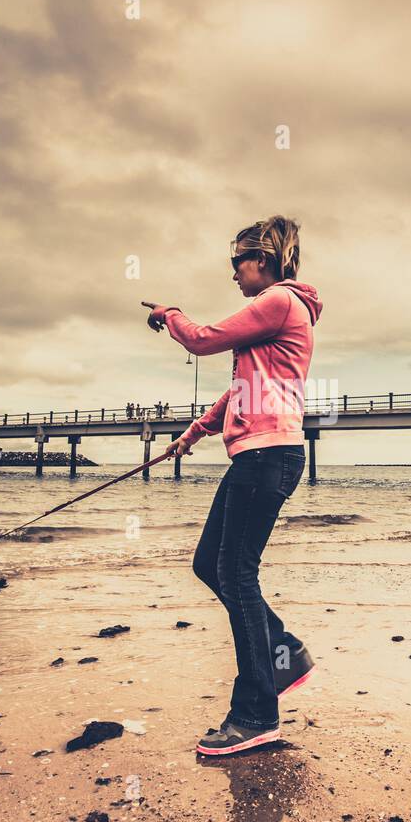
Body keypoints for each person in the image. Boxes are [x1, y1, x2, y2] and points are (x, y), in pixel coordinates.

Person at [142, 215, 322, 756]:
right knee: (209, 564)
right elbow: (237, 392)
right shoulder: (276, 312)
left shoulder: (278, 302)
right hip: (258, 456)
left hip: (269, 456)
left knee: (237, 576)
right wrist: (191, 435)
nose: (234, 276)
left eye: (236, 265)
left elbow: (201, 340)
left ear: (261, 262)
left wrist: (168, 314)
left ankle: (256, 715)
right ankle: (283, 652)